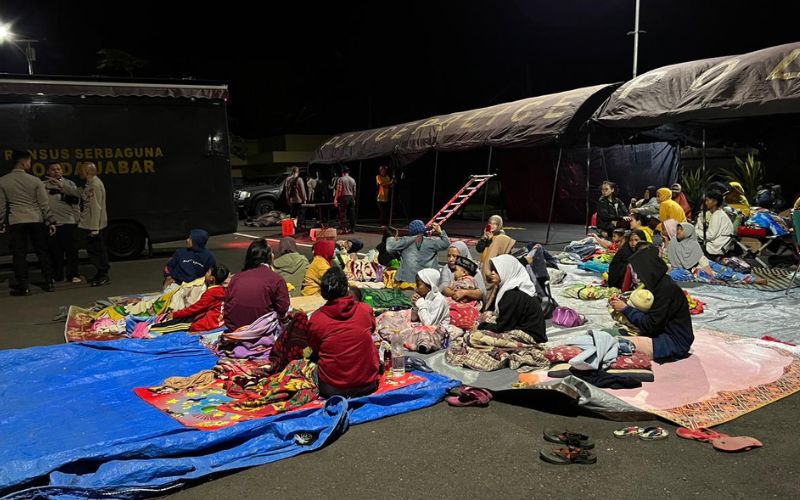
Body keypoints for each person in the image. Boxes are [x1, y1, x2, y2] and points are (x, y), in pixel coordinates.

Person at [609, 246, 694, 360]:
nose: (638, 277)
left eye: (639, 272)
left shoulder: (666, 289)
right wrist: (623, 303)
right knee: (607, 334)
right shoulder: (657, 283)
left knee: (612, 344)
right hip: (661, 334)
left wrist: (626, 309)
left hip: (673, 342)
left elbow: (651, 325)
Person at [307, 267, 380, 398]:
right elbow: (371, 330)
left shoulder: (316, 319)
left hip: (333, 388)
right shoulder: (365, 309)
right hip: (368, 384)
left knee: (309, 363)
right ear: (347, 288)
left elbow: (315, 347)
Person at [0, 150, 57, 295]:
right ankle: (49, 281)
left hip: (17, 221)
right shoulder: (35, 180)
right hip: (36, 219)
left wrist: (1, 222)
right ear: (24, 162)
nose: (30, 164)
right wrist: (50, 221)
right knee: (42, 251)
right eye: (29, 161)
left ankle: (23, 286)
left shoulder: (3, 181)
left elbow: (1, 206)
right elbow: (44, 204)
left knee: (19, 254)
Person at [667, 222, 766, 285]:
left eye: (681, 229)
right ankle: (712, 279)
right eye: (677, 229)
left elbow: (702, 260)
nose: (678, 231)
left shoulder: (693, 243)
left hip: (703, 264)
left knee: (725, 272)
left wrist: (710, 271)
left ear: (688, 231)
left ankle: (749, 279)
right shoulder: (673, 243)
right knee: (675, 275)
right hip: (687, 271)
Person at [477, 254, 546, 343]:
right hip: (526, 329)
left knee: (476, 337)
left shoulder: (512, 294)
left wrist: (481, 327)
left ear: (507, 271)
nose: (492, 273)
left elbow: (503, 326)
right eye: (492, 269)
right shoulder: (511, 288)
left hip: (531, 335)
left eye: (497, 270)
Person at [224, 239, 289, 331]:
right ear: (269, 257)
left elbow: (228, 305)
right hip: (261, 330)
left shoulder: (236, 278)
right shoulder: (276, 279)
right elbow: (283, 309)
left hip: (234, 328)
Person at [151, 264, 230, 333]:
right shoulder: (222, 290)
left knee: (176, 324)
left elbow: (194, 309)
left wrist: (175, 315)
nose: (205, 273)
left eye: (208, 272)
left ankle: (152, 329)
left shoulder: (211, 293)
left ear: (212, 279)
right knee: (180, 318)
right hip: (214, 320)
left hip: (206, 324)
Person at [44, 162, 81, 283]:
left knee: (71, 250)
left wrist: (77, 218)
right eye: (53, 169)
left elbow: (76, 201)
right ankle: (57, 275)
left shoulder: (69, 184)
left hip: (68, 221)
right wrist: (47, 221)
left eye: (58, 169)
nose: (56, 171)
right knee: (55, 251)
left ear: (62, 171)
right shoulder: (43, 185)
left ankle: (73, 274)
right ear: (48, 172)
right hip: (52, 222)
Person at [76, 162, 110, 287]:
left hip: (92, 225)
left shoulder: (95, 185)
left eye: (81, 170)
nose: (79, 172)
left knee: (96, 250)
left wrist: (95, 229)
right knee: (93, 250)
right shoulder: (89, 184)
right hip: (88, 224)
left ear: (87, 171)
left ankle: (103, 274)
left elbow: (96, 208)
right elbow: (81, 193)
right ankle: (101, 273)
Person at [443, 256, 483, 329]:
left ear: (464, 273)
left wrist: (452, 290)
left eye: (456, 270)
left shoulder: (468, 281)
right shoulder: (459, 280)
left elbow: (457, 293)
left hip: (465, 310)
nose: (454, 272)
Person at [695, 191, 733, 257]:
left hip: (716, 248)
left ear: (715, 202)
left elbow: (710, 236)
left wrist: (695, 231)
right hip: (717, 244)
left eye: (707, 200)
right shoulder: (717, 214)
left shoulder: (717, 215)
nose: (705, 203)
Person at [334, 165, 357, 234]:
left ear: (342, 172)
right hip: (351, 197)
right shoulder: (353, 179)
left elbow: (339, 190)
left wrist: (336, 199)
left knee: (343, 213)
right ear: (348, 172)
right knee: (352, 213)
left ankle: (344, 229)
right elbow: (354, 191)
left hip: (344, 197)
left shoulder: (341, 179)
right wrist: (354, 199)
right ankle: (352, 229)